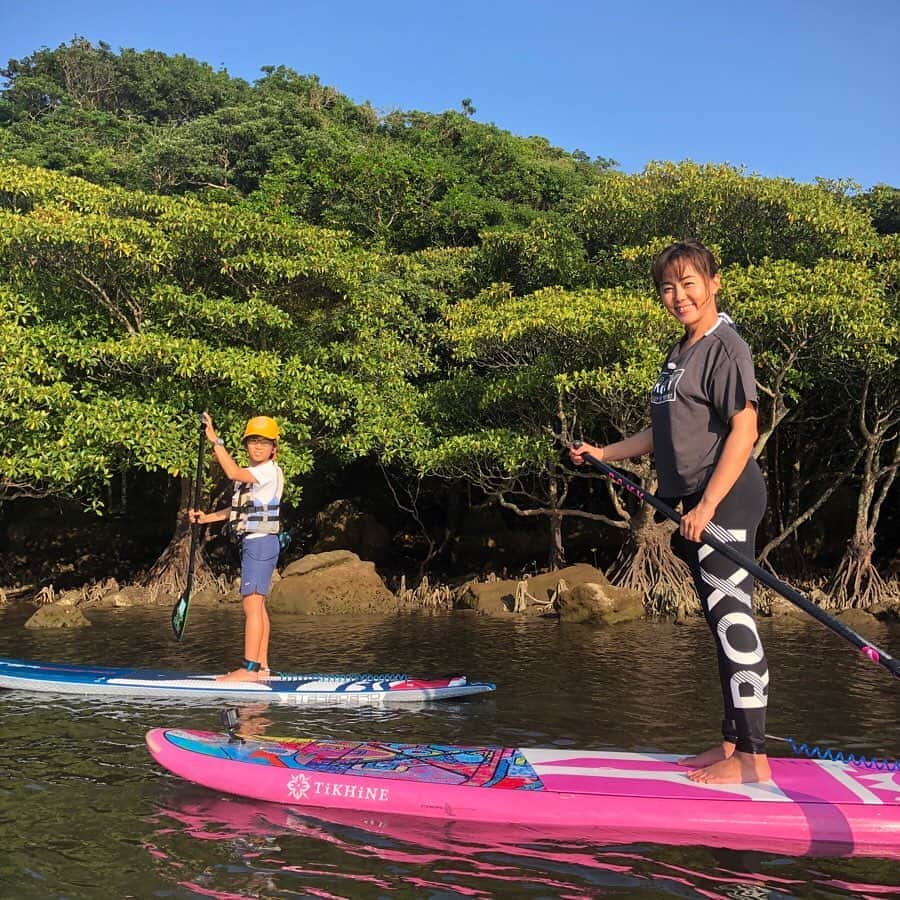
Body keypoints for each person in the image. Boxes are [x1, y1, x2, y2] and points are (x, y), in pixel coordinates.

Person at [570, 239, 770, 785]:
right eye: (666, 287)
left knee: (733, 619)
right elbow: (660, 434)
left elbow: (744, 429)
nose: (677, 295)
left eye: (687, 283)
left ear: (713, 283)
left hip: (724, 498)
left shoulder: (726, 347)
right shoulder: (682, 351)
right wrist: (603, 453)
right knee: (715, 620)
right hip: (696, 504)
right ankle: (732, 742)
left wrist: (706, 504)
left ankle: (754, 761)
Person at [189, 412, 285, 682]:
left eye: (264, 442)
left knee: (251, 607)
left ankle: (249, 669)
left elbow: (230, 471)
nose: (257, 446)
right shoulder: (256, 474)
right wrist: (206, 518)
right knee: (259, 606)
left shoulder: (266, 471)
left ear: (273, 449)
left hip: (260, 544)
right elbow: (238, 508)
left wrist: (214, 440)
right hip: (259, 543)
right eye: (253, 441)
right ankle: (262, 667)